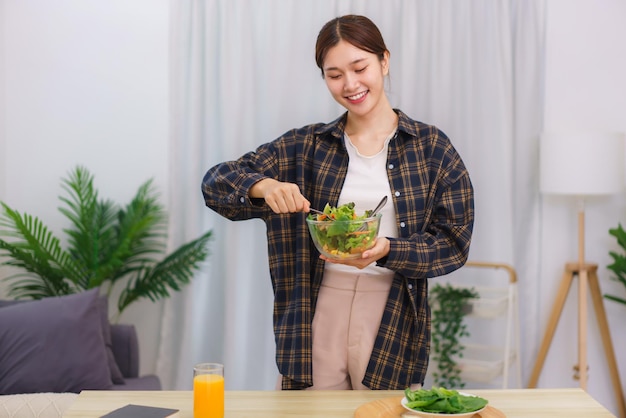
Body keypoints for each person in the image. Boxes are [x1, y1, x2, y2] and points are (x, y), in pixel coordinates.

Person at [202, 14, 474, 390]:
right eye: (334, 74)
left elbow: (454, 243)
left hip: (391, 311)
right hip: (314, 308)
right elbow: (215, 183)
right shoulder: (305, 147)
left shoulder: (431, 148)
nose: (350, 84)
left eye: (359, 67)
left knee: (380, 415)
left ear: (384, 61)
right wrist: (264, 187)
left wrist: (386, 250)